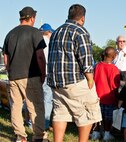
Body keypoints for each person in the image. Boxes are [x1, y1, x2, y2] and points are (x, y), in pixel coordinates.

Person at [47, 4, 102, 142]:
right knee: (88, 112)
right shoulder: (80, 32)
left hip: (56, 82)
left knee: (60, 114)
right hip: (75, 81)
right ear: (82, 18)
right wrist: (90, 79)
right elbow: (86, 59)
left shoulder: (56, 32)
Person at [3, 6, 48, 142]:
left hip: (13, 76)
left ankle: (20, 136)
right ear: (32, 18)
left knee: (15, 107)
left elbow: (6, 57)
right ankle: (39, 136)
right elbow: (40, 56)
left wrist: (10, 72)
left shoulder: (10, 34)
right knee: (35, 106)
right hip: (31, 75)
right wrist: (43, 73)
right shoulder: (35, 32)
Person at [91, 47, 120, 141]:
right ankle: (106, 134)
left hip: (96, 95)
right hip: (109, 97)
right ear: (114, 56)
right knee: (107, 117)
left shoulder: (97, 65)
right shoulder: (114, 69)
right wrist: (117, 97)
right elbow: (114, 85)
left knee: (96, 116)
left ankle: (95, 133)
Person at [39, 23, 54, 130]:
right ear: (48, 32)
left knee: (35, 99)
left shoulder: (36, 42)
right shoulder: (50, 43)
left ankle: (32, 122)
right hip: (47, 73)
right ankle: (44, 125)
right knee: (47, 100)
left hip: (36, 74)